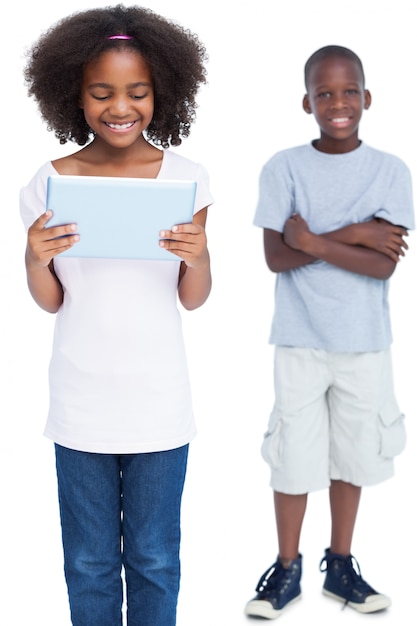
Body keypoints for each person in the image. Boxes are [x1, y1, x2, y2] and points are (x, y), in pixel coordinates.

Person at [20, 5, 212, 626]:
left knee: (155, 558)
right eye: (101, 92)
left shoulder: (187, 179)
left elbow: (194, 296)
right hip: (80, 401)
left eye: (137, 92)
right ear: (74, 95)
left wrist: (198, 255)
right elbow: (50, 300)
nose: (119, 106)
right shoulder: (48, 182)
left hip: (159, 401)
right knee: (88, 563)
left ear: (162, 93)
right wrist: (34, 259)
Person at [245, 45, 414, 620]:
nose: (337, 103)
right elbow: (274, 256)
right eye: (324, 93)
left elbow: (385, 264)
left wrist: (313, 241)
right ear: (307, 102)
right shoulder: (284, 168)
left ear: (366, 98)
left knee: (352, 457)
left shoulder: (390, 170)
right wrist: (356, 233)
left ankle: (340, 566)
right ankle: (286, 569)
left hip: (364, 340)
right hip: (298, 338)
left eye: (348, 92)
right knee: (293, 456)